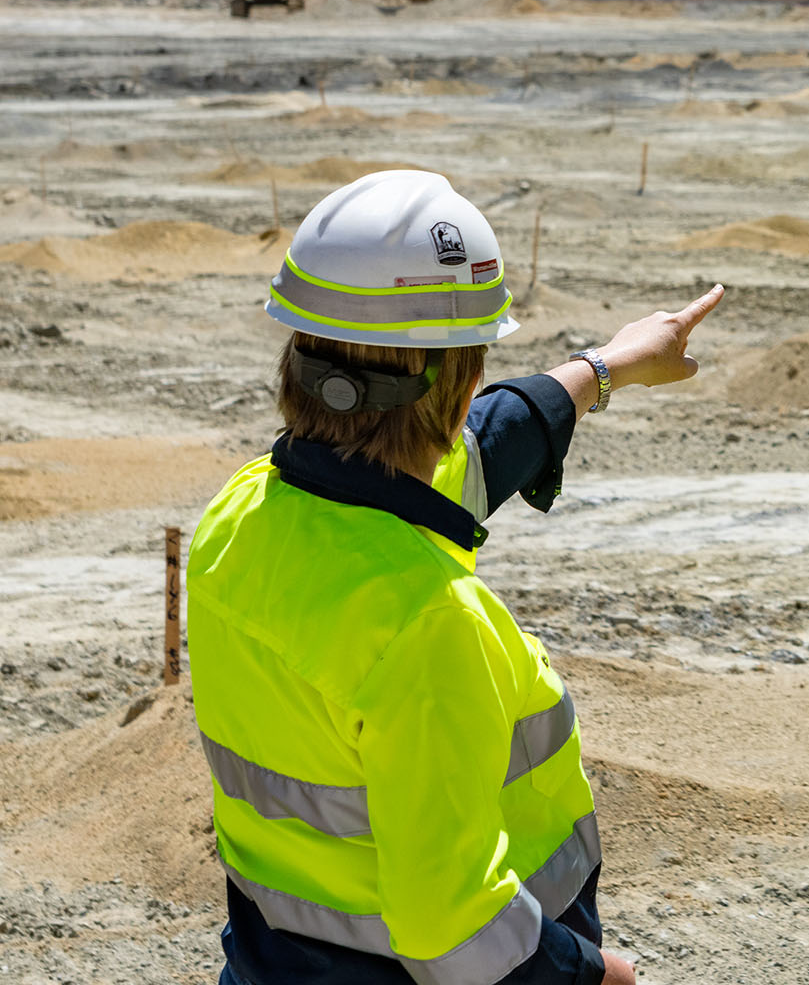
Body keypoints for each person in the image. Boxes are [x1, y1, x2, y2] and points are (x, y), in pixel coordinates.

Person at [186, 170, 723, 985]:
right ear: (464, 378)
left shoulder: (241, 515)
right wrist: (595, 973)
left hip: (276, 957)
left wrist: (604, 368)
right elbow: (455, 928)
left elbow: (474, 451)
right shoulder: (428, 625)